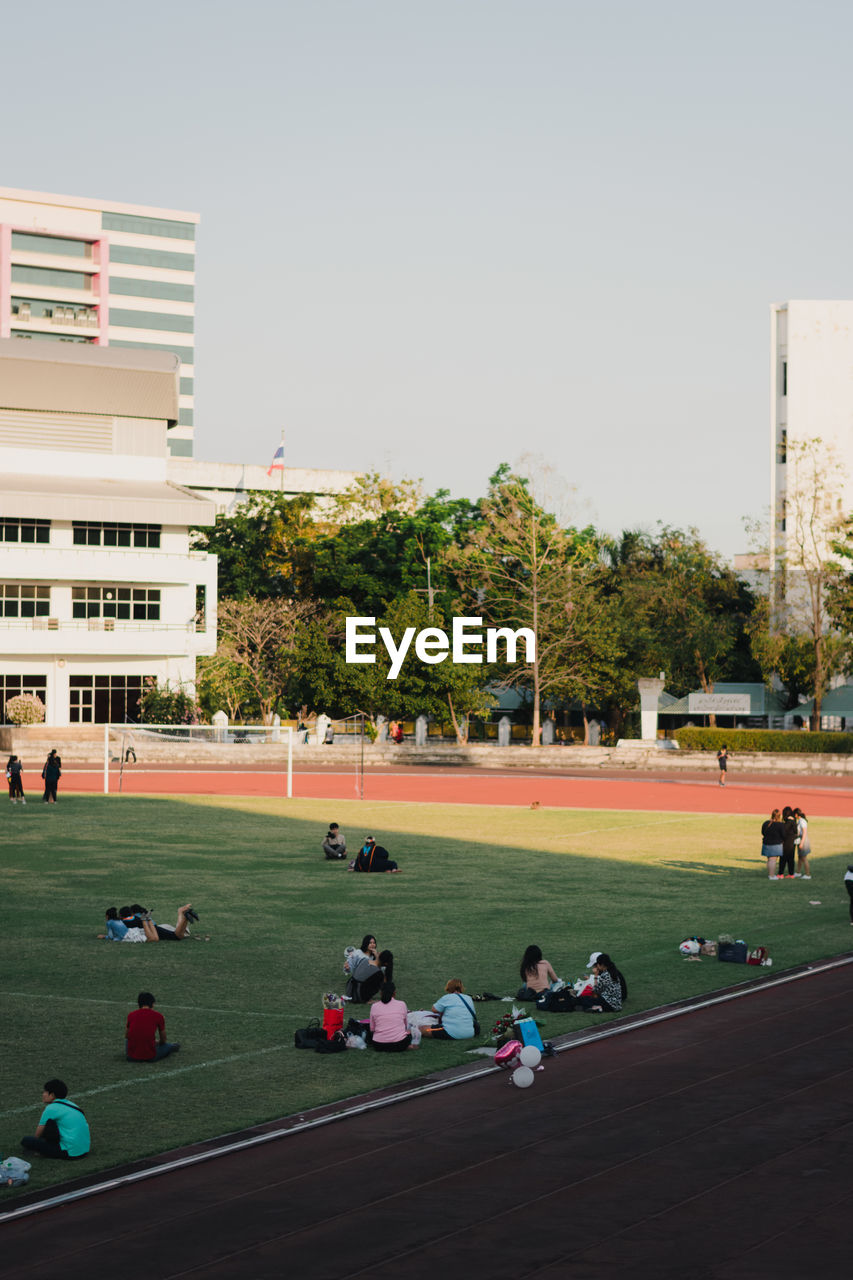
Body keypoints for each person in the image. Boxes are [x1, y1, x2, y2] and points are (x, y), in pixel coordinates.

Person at [21, 1078, 90, 1160]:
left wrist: (35, 1144)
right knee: (51, 1125)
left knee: (26, 1141)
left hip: (69, 1153)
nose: (43, 1094)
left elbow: (38, 1134)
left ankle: (42, 1152)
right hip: (84, 1149)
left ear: (52, 1095)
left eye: (45, 1092)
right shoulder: (72, 1104)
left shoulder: (51, 1108)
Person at [126, 991, 180, 1061]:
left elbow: (127, 1036)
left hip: (131, 1057)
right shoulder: (158, 1016)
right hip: (150, 1056)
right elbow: (163, 1039)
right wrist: (157, 1042)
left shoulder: (131, 1015)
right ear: (152, 1004)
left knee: (128, 1041)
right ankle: (172, 1047)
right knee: (167, 1046)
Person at [368, 981, 413, 1051]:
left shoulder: (374, 1006)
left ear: (380, 993)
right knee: (410, 1031)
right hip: (400, 1044)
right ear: (394, 993)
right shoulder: (402, 1004)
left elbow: (372, 1029)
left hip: (378, 1045)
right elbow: (405, 1025)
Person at [126, 903, 197, 941]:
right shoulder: (141, 914)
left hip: (157, 929)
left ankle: (184, 917)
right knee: (181, 933)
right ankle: (181, 913)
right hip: (161, 926)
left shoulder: (135, 918)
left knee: (177, 936)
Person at [761, 809, 785, 879]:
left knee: (769, 859)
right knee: (773, 860)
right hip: (776, 844)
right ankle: (772, 875)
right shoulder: (780, 825)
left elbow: (762, 832)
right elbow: (783, 835)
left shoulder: (766, 823)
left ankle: (770, 874)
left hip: (766, 843)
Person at [778, 806, 799, 879]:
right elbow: (796, 832)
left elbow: (783, 831)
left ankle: (780, 873)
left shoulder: (788, 822)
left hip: (786, 843)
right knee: (791, 859)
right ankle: (791, 874)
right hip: (792, 843)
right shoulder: (794, 821)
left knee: (783, 859)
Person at [794, 808, 812, 879]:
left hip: (803, 841)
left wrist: (801, 843)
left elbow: (804, 832)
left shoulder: (802, 821)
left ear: (796, 814)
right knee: (800, 857)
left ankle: (808, 875)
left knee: (804, 858)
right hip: (801, 840)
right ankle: (798, 872)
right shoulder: (801, 820)